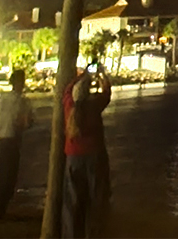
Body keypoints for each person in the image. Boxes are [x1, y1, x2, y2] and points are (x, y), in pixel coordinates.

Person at [61, 64, 112, 238]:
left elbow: (67, 90)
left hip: (73, 157)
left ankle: (72, 235)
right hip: (94, 156)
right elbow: (107, 93)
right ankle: (94, 234)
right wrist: (100, 75)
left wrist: (81, 75)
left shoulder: (68, 105)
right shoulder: (94, 105)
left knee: (72, 201)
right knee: (96, 198)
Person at [0, 68, 33, 217]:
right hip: (12, 140)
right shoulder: (22, 101)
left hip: (1, 139)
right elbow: (25, 122)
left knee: (0, 174)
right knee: (10, 175)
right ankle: (1, 207)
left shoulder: (2, 99)